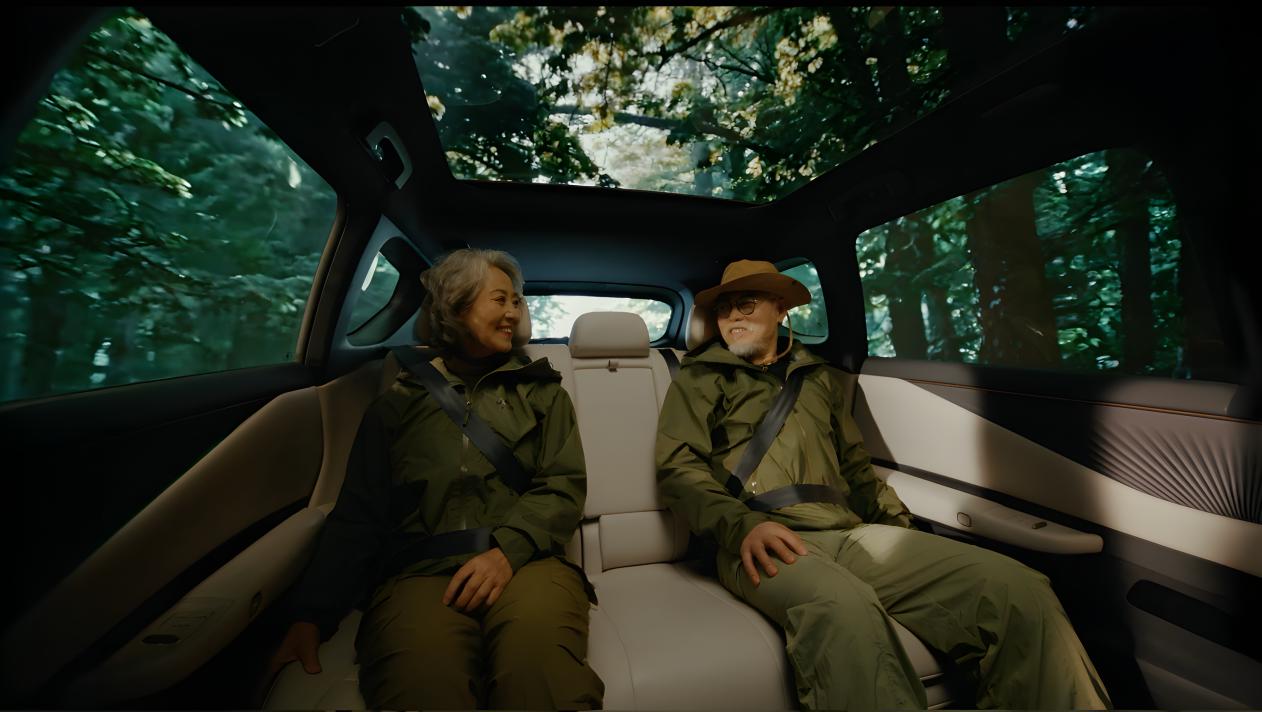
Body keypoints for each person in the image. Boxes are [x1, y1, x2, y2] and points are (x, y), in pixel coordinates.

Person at [655, 259, 1111, 710]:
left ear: (780, 308)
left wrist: (904, 535)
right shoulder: (701, 376)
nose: (732, 316)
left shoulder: (819, 378)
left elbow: (856, 469)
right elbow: (678, 467)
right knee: (843, 608)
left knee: (1017, 588)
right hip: (760, 540)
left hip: (849, 532)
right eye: (724, 308)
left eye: (747, 304)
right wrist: (742, 527)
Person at [266, 248, 603, 710]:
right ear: (457, 305)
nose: (513, 312)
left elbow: (563, 486)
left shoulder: (543, 393)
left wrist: (507, 550)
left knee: (538, 669)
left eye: (517, 301)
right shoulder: (398, 403)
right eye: (500, 299)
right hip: (419, 575)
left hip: (527, 563)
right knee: (424, 683)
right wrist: (311, 615)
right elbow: (359, 514)